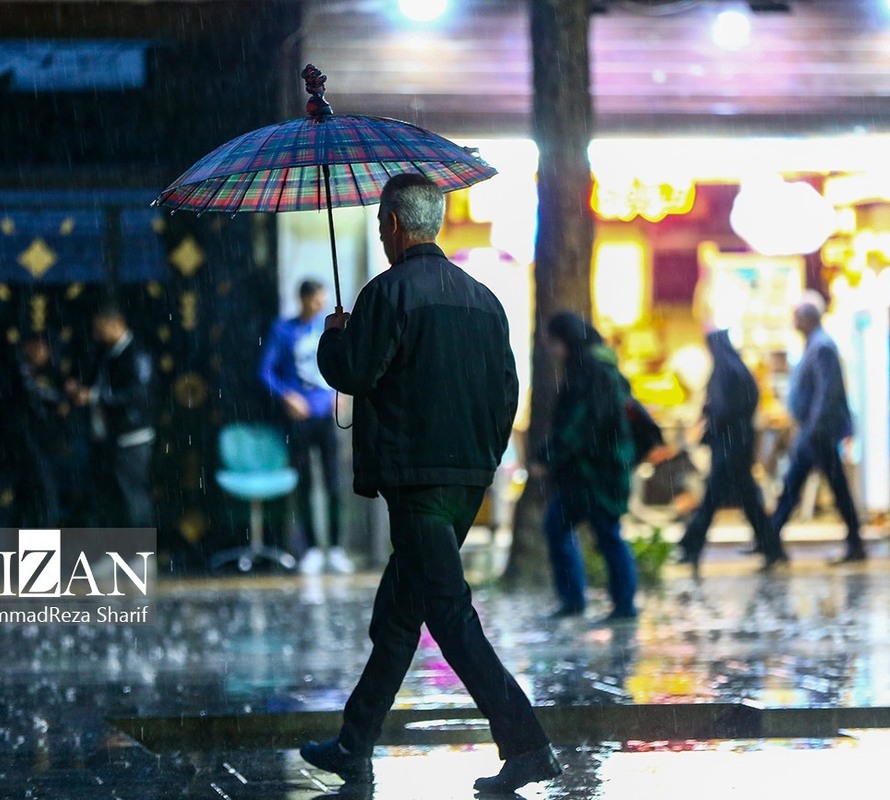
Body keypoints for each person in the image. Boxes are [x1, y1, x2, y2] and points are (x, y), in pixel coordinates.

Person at [302, 174, 560, 794]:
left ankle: (528, 746)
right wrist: (482, 456)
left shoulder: (387, 292)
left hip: (416, 482)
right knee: (399, 614)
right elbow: (507, 390)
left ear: (392, 224)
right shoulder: (482, 299)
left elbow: (354, 373)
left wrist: (335, 337)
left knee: (446, 613)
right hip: (466, 478)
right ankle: (354, 743)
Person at [532, 311, 639, 623]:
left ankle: (617, 605)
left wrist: (547, 456)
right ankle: (587, 601)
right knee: (568, 528)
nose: (551, 350)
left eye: (553, 343)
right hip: (593, 471)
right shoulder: (602, 366)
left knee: (605, 534)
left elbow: (579, 423)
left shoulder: (588, 371)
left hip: (595, 472)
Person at [259, 279, 351, 575]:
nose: (320, 305)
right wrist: (287, 395)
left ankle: (336, 548)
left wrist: (342, 390)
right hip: (298, 419)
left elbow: (343, 363)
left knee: (334, 482)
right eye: (315, 300)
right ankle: (310, 547)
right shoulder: (283, 330)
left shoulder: (330, 329)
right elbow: (265, 371)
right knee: (304, 484)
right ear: (303, 299)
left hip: (325, 417)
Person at [678, 329, 787, 574]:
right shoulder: (738, 370)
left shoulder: (724, 372)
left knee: (713, 497)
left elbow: (721, 408)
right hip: (738, 444)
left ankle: (691, 545)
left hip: (729, 447)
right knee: (746, 498)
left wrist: (711, 423)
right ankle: (770, 546)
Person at [769, 292, 865, 563]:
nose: (793, 321)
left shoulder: (821, 346)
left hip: (818, 433)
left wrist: (814, 427)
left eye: (797, 316)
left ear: (808, 318)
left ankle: (772, 539)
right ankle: (771, 539)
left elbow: (827, 391)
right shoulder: (815, 345)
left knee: (816, 486)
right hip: (814, 431)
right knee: (800, 485)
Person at [67, 303, 157, 529]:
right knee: (112, 497)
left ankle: (140, 556)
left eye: (100, 328)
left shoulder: (136, 353)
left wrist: (96, 397)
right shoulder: (107, 353)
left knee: (132, 494)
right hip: (109, 437)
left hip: (132, 436)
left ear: (116, 324)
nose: (97, 334)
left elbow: (137, 395)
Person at [15, 334, 72, 528]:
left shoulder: (46, 371)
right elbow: (34, 391)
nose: (45, 353)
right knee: (42, 491)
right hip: (26, 439)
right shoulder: (20, 368)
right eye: (41, 348)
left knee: (37, 493)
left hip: (41, 440)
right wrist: (61, 400)